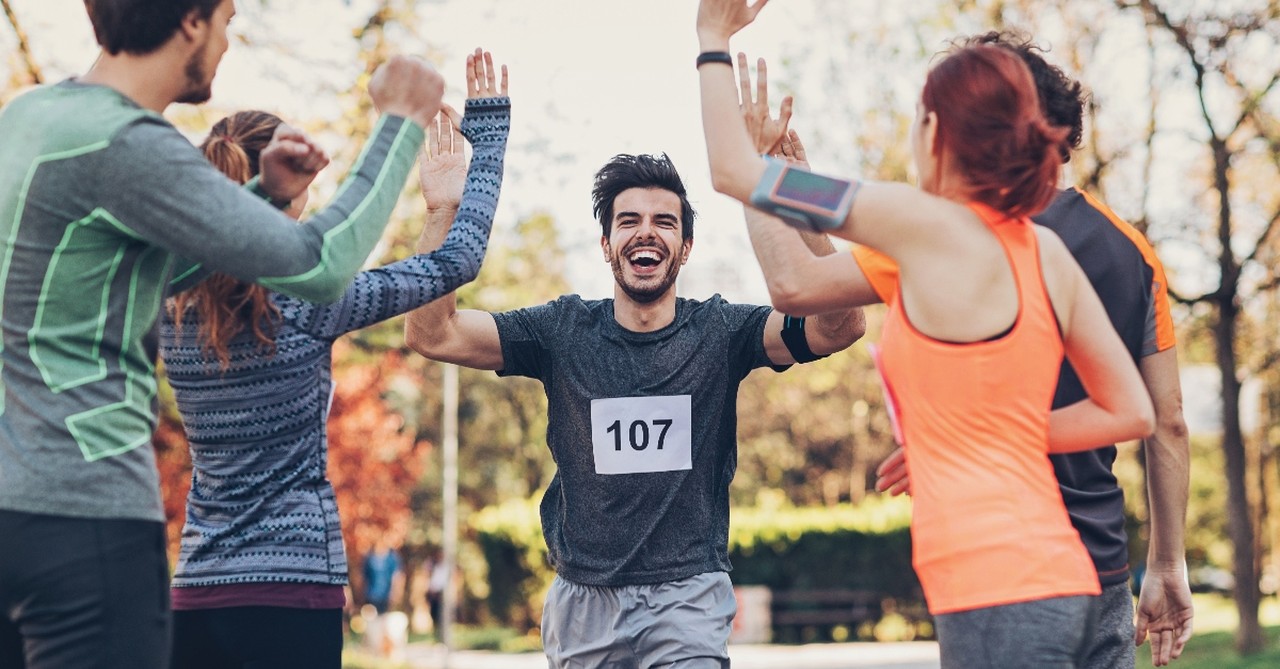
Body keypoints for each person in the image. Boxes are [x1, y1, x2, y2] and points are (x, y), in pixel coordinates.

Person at [695, 1, 1154, 666]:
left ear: (936, 129)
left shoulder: (918, 223)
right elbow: (1130, 408)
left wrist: (712, 37)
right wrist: (982, 433)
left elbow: (736, 173)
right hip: (1070, 586)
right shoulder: (1042, 251)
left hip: (997, 589)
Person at [0, 0, 442, 666]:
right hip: (85, 514)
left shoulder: (30, 118)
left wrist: (260, 199)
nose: (230, 42)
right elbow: (316, 266)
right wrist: (401, 123)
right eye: (229, 20)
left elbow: (150, 273)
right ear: (190, 22)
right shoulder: (130, 145)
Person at [404, 148, 865, 667]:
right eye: (629, 221)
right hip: (583, 603)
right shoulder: (562, 331)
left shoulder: (722, 332)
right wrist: (443, 214)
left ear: (684, 247)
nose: (646, 232)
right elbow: (431, 332)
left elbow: (841, 326)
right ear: (607, 245)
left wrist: (797, 192)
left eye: (664, 222)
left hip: (688, 595)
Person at [159, 49, 510, 669]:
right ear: (284, 190)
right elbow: (456, 264)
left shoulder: (171, 306)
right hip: (292, 592)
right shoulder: (306, 296)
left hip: (197, 588)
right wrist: (485, 147)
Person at [867, 33, 1194, 668]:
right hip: (1100, 562)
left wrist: (964, 435)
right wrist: (1167, 562)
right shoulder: (1133, 249)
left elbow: (800, 285)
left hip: (996, 561)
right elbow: (1168, 419)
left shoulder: (948, 236)